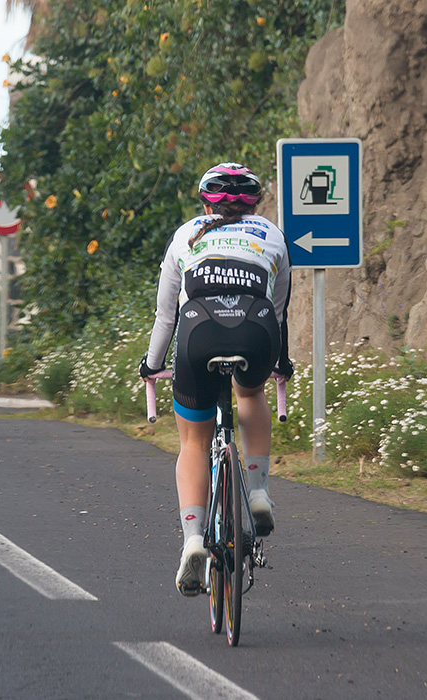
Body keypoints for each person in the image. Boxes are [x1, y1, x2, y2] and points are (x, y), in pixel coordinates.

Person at [140, 162, 293, 596]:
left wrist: (152, 365)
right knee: (251, 391)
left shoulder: (185, 234)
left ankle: (193, 541)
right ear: (255, 202)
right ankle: (258, 491)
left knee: (193, 441)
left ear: (205, 201)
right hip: (256, 328)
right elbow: (278, 311)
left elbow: (166, 315)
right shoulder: (272, 234)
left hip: (198, 331)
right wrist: (280, 362)